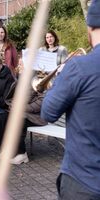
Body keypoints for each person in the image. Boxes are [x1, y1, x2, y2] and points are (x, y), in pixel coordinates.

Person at [41, 1, 100, 199]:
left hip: (84, 181)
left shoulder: (78, 67)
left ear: (90, 28)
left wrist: (60, 79)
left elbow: (48, 112)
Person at [0, 83, 47, 164]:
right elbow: (11, 98)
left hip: (34, 116)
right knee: (2, 118)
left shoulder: (40, 80)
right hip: (19, 112)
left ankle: (21, 154)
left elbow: (41, 101)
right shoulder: (18, 81)